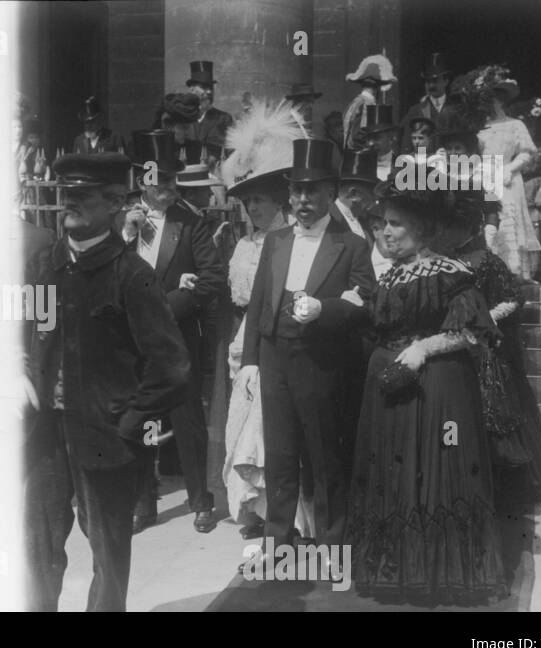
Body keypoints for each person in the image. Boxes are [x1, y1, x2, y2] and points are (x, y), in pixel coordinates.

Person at [23, 153, 190, 611]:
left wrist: (128, 421)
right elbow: (29, 334)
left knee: (108, 555)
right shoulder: (47, 267)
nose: (67, 205)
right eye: (66, 196)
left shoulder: (132, 276)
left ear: (115, 202)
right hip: (45, 438)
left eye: (81, 196)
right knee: (35, 550)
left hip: (107, 440)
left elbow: (172, 367)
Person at [348, 172, 508, 605]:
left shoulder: (450, 272)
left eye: (396, 224)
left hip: (436, 386)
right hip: (388, 386)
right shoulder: (391, 275)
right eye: (383, 223)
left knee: (435, 469)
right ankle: (397, 567)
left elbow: (470, 332)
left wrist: (422, 349)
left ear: (420, 229)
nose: (385, 230)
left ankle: (439, 572)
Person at [237, 138, 375, 565]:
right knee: (279, 453)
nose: (302, 200)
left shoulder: (350, 244)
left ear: (330, 194)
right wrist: (249, 362)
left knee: (323, 453)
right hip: (276, 359)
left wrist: (326, 309)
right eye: (296, 191)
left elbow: (368, 299)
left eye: (311, 191)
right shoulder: (276, 241)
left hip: (320, 362)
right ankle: (278, 540)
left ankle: (333, 543)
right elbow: (260, 302)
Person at [215, 99, 315, 539]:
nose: (251, 208)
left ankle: (293, 518)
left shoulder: (291, 240)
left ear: (278, 198)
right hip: (246, 343)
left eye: (258, 200)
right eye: (247, 201)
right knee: (248, 429)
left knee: (278, 435)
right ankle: (256, 509)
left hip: (284, 345)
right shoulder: (244, 245)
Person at [123, 131, 224, 535]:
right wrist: (126, 235)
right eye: (158, 180)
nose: (165, 188)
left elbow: (213, 278)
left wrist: (165, 307)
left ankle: (201, 501)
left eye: (170, 180)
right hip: (133, 342)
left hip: (178, 338)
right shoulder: (123, 224)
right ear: (142, 179)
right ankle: (144, 503)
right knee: (142, 421)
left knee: (187, 420)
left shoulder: (190, 224)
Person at [436, 207, 541, 509]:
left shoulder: (489, 261)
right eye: (447, 227)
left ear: (470, 230)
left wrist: (484, 320)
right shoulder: (442, 263)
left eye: (457, 227)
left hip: (486, 349)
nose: (450, 233)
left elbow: (513, 299)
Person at [454, 65, 541, 280]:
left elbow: (527, 153)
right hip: (483, 176)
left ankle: (513, 270)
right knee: (486, 222)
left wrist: (510, 168)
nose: (488, 104)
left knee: (506, 219)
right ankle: (488, 269)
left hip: (507, 178)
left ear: (501, 100)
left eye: (492, 98)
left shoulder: (515, 125)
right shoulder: (479, 127)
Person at [333, 150, 392, 279]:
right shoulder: (328, 220)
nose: (371, 204)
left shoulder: (364, 223)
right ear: (353, 193)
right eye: (369, 197)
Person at [401, 53, 456, 148]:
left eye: (435, 81)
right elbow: (405, 146)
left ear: (446, 81)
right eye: (427, 82)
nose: (431, 86)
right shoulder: (415, 111)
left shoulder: (457, 108)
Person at [185, 60, 234, 167]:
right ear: (192, 89)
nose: (209, 92)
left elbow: (233, 155)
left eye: (210, 88)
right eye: (204, 87)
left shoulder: (224, 119)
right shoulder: (182, 119)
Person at [343, 54, 396, 152]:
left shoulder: (353, 103)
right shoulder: (367, 105)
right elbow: (359, 135)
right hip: (360, 158)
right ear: (377, 88)